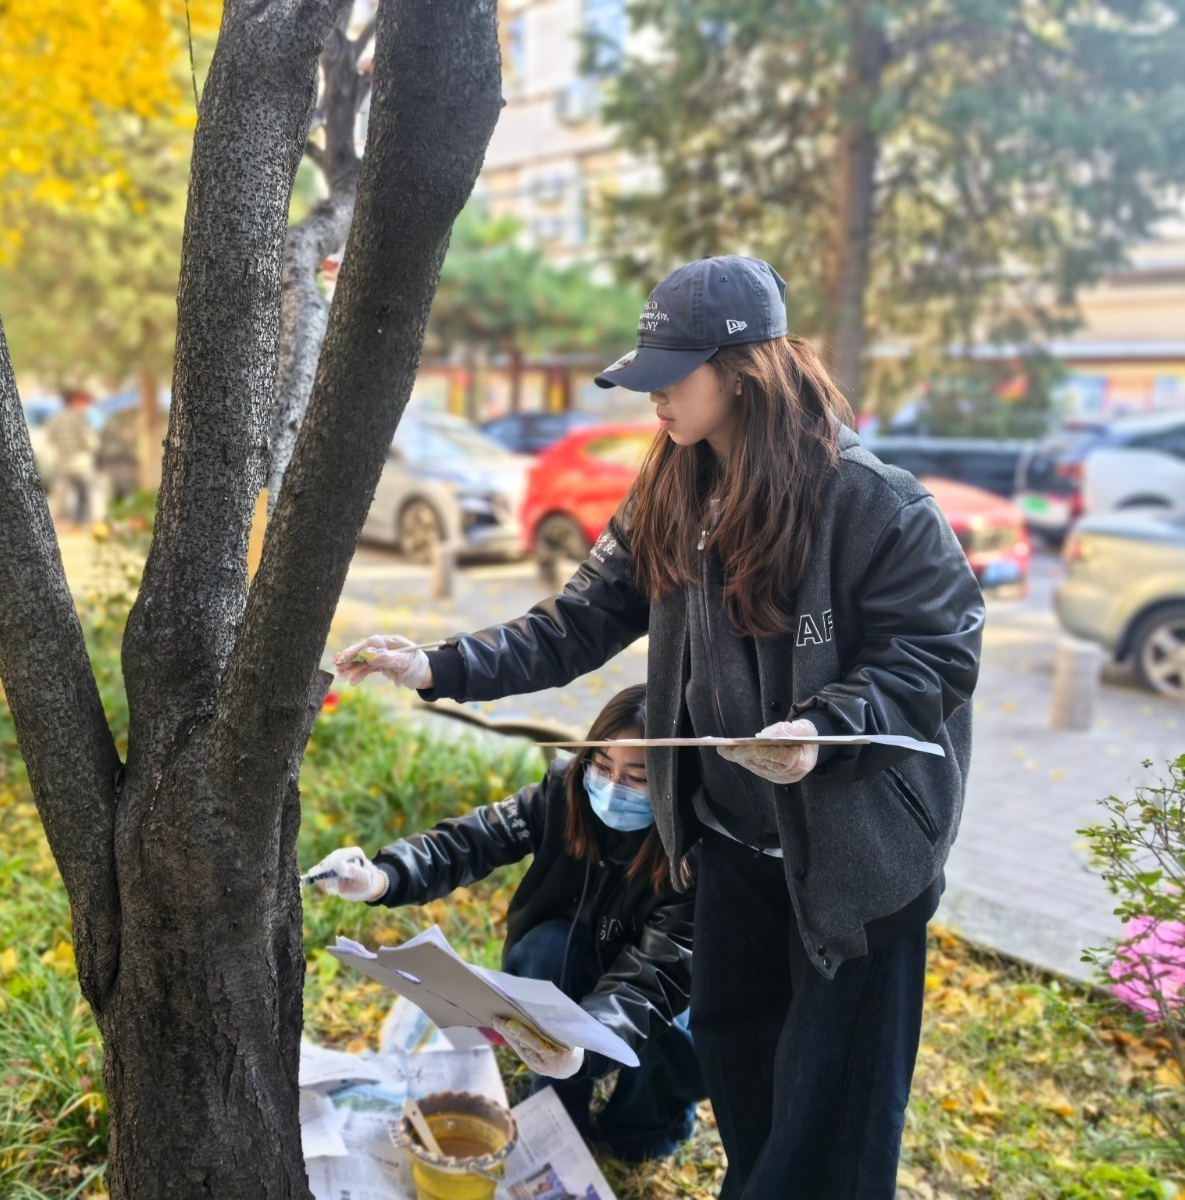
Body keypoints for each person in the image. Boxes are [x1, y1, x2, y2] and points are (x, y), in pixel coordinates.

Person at [335, 255, 985, 1199]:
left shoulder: (875, 503)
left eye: (669, 377)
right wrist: (439, 665)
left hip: (854, 868)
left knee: (833, 1122)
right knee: (746, 1081)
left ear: (743, 369)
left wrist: (825, 729)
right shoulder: (671, 492)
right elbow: (575, 624)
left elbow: (939, 651)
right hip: (726, 850)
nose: (652, 402)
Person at [304, 684, 706, 1163]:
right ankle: (558, 1107)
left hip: (650, 997)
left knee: (671, 1040)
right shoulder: (563, 791)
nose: (612, 786)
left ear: (670, 781)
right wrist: (382, 877)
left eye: (637, 778)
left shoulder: (694, 854)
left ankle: (645, 1122)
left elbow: (655, 981)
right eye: (601, 764)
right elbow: (471, 841)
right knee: (542, 952)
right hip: (568, 961)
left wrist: (583, 1049)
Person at [44, 388, 104, 528]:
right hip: (81, 462)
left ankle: (73, 523)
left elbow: (49, 440)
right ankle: (93, 522)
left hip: (63, 463)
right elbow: (90, 442)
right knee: (89, 493)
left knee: (70, 495)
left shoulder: (55, 419)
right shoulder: (78, 418)